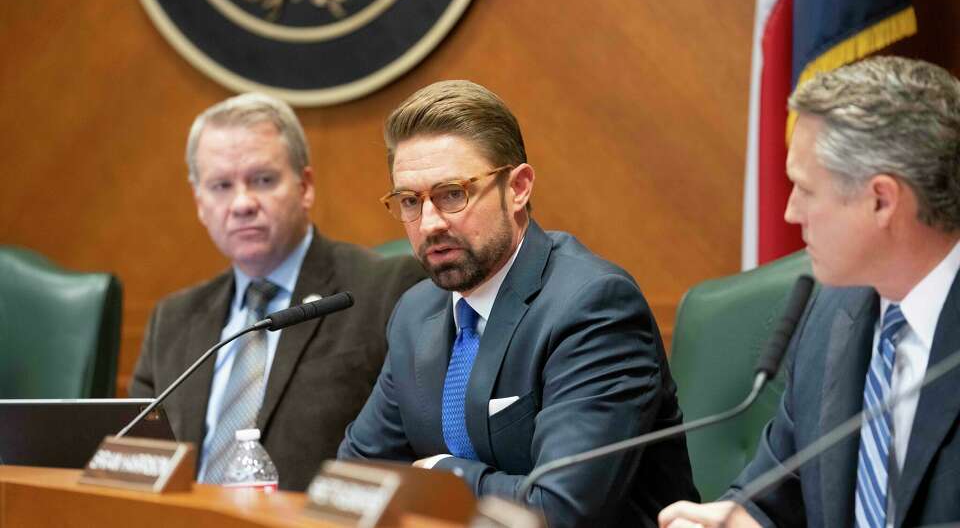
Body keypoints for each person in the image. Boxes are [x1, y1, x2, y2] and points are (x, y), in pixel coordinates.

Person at [337, 80, 698, 527]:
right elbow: (352, 484)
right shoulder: (416, 312)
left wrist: (442, 476)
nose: (429, 223)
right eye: (410, 201)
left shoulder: (592, 306)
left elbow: (559, 511)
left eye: (452, 194)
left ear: (519, 187)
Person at [659, 56, 960, 528]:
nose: (789, 213)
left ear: (881, 200)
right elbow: (775, 496)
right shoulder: (831, 314)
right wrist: (734, 521)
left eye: (805, 189)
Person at [129, 92, 425, 492]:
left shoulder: (384, 290)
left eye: (263, 180)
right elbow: (136, 463)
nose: (242, 203)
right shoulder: (173, 319)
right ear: (200, 203)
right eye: (220, 186)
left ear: (305, 186)